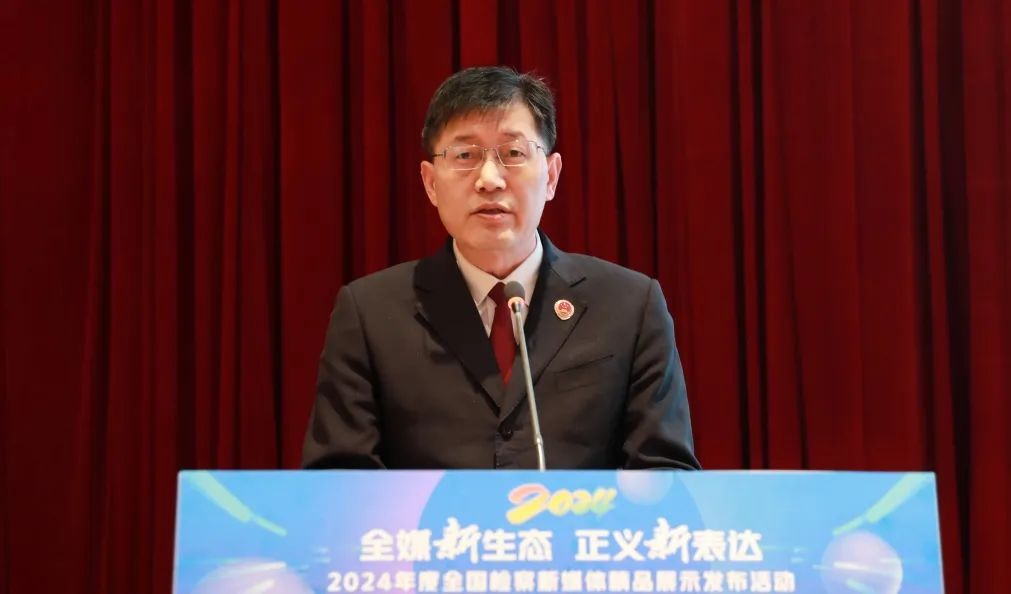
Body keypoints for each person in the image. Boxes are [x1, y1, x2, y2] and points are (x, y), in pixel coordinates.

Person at [302, 66, 700, 470]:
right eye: (464, 156)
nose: (489, 180)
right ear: (430, 183)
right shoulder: (370, 314)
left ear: (551, 176)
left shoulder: (629, 307)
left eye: (513, 154)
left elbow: (665, 475)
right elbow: (339, 481)